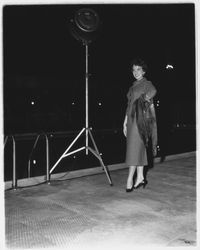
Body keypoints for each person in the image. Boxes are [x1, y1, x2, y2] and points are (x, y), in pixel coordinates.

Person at [123, 58, 157, 192]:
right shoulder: (132, 86)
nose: (135, 72)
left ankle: (130, 179)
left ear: (143, 71)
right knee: (138, 148)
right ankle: (140, 177)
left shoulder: (146, 83)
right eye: (133, 69)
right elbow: (128, 105)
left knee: (133, 149)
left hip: (139, 121)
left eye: (138, 69)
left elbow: (153, 91)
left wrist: (143, 102)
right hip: (131, 121)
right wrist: (125, 121)